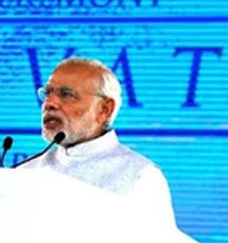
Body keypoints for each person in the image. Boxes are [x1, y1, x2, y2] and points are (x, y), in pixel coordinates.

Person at [20, 57, 176, 225]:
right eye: (48, 93)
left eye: (66, 95)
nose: (49, 103)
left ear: (104, 109)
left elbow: (157, 241)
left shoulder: (139, 176)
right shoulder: (25, 171)